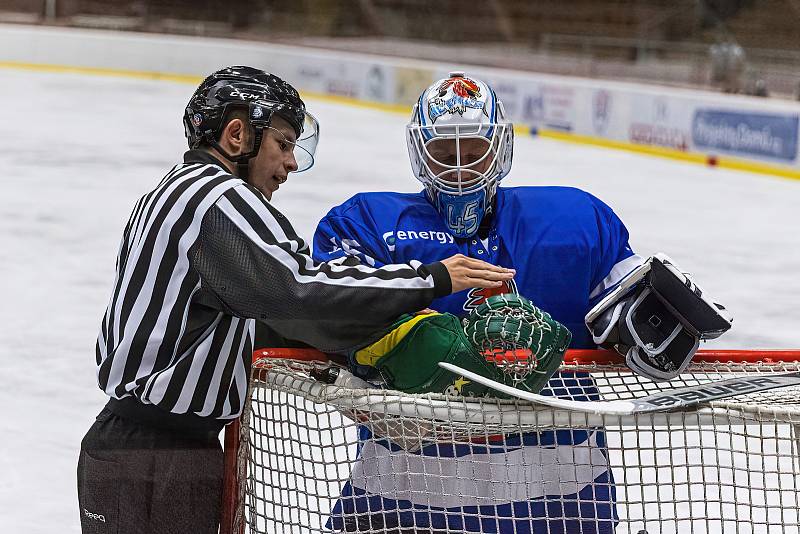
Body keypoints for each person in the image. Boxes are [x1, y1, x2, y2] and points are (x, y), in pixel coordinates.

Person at [76, 66, 515, 534]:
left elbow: (256, 311)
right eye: (283, 144)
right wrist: (431, 278)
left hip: (132, 449)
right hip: (159, 460)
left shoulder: (169, 192)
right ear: (237, 134)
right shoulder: (218, 198)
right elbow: (301, 293)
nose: (290, 163)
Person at [312, 72, 641, 533]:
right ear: (420, 152)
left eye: (474, 151)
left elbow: (631, 311)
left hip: (559, 498)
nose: (461, 166)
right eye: (444, 153)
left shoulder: (578, 220)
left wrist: (652, 324)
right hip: (408, 496)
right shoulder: (365, 224)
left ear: (499, 147)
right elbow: (330, 312)